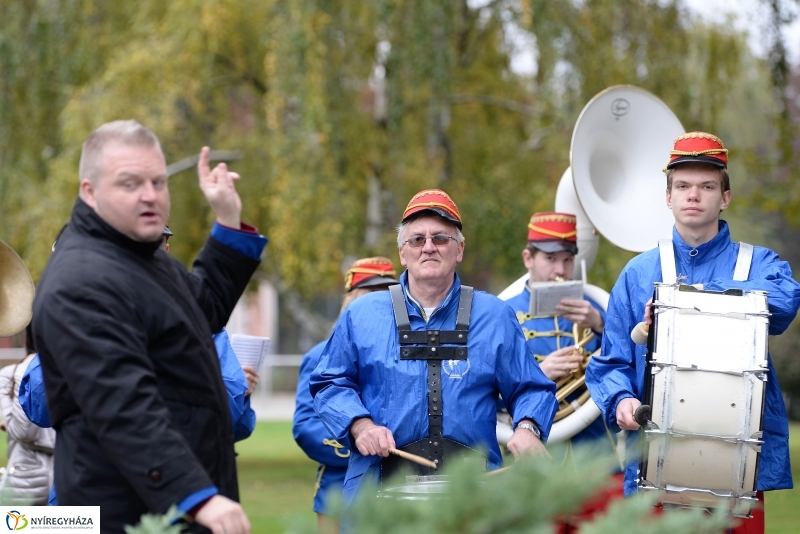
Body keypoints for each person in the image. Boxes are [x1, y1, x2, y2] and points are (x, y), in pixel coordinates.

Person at [31, 120, 266, 534]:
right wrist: (197, 497)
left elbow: (203, 309)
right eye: (129, 183)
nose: (150, 195)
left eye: (159, 182)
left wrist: (228, 220)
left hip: (171, 505)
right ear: (90, 192)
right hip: (127, 512)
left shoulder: (139, 256)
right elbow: (123, 405)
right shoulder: (81, 280)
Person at [585, 132, 800, 533]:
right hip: (655, 468)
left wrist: (690, 299)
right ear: (668, 197)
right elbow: (607, 363)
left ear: (726, 197)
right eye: (682, 186)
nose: (693, 195)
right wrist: (621, 401)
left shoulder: (760, 263)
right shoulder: (637, 273)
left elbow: (786, 301)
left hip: (740, 472)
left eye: (707, 186)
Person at [310, 188, 558, 502]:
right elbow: (329, 383)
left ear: (460, 250)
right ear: (402, 253)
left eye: (441, 238)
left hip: (474, 498)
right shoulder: (360, 316)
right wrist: (360, 425)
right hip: (376, 499)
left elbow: (531, 388)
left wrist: (528, 427)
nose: (428, 247)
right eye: (417, 239)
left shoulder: (495, 316)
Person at [503, 212, 619, 532]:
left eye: (568, 260)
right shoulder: (502, 312)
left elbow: (629, 367)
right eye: (551, 259)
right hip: (529, 461)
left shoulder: (593, 308)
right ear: (528, 257)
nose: (560, 271)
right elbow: (484, 391)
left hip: (593, 455)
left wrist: (599, 324)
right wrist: (539, 372)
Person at [293, 257, 398, 532]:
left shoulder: (403, 354)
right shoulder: (320, 355)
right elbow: (306, 427)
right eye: (371, 294)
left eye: (389, 293)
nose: (381, 301)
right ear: (350, 300)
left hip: (395, 486)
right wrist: (360, 445)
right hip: (338, 491)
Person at [0, 324, 55, 505]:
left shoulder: (13, 374)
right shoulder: (65, 369)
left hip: (35, 479)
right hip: (34, 480)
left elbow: (23, 432)